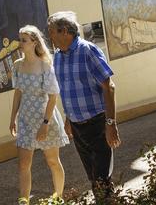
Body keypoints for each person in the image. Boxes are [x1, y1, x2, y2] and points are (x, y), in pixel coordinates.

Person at [48, 11, 120, 200]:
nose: (50, 37)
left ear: (64, 31)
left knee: (101, 179)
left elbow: (109, 87)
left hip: (97, 124)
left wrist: (110, 124)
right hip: (78, 128)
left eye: (52, 32)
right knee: (94, 178)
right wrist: (68, 118)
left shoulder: (87, 50)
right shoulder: (58, 57)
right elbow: (68, 89)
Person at [9, 26, 68, 204]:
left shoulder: (44, 65)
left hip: (46, 119)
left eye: (24, 40)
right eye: (20, 39)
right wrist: (12, 119)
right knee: (23, 165)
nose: (20, 43)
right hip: (26, 120)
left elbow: (53, 97)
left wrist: (45, 124)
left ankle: (58, 198)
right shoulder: (17, 65)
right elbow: (18, 93)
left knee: (52, 161)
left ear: (34, 42)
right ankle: (24, 201)